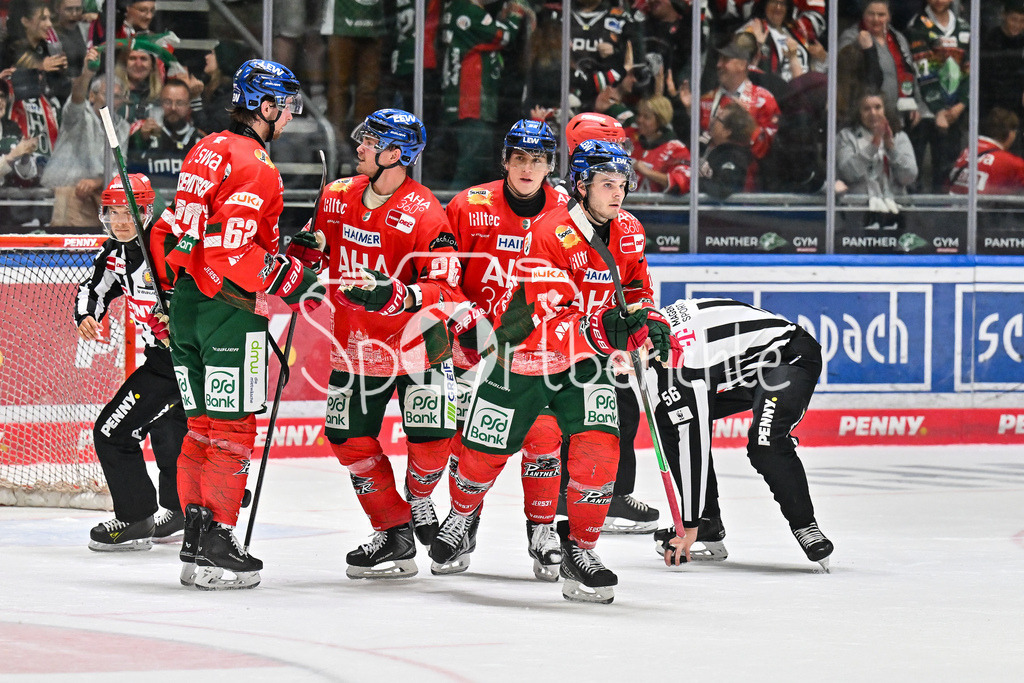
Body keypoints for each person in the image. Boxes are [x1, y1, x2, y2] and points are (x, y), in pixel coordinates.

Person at [430, 140, 677, 604]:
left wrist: (650, 327)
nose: (618, 194)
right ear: (582, 186)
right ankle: (462, 514)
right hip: (523, 354)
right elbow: (550, 313)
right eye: (607, 184)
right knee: (483, 453)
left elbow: (636, 293)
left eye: (623, 185)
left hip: (585, 364)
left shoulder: (629, 231)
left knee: (602, 452)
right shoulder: (550, 232)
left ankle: (580, 551)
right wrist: (606, 327)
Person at [165, 59, 324, 590]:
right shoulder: (255, 162)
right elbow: (231, 248)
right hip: (229, 312)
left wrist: (284, 251)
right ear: (264, 105)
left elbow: (177, 234)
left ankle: (195, 534)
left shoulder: (205, 147)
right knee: (232, 431)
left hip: (186, 305)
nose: (288, 116)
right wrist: (288, 277)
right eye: (284, 105)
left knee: (201, 428)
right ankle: (219, 540)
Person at [314, 108, 464, 580]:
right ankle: (393, 529)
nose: (359, 147)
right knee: (345, 437)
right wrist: (301, 252)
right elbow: (317, 250)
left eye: (370, 142)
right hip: (356, 346)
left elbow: (448, 290)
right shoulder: (337, 195)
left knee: (431, 437)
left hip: (421, 347)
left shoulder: (425, 212)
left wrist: (396, 294)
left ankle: (420, 498)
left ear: (395, 154)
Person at [443, 119, 567, 581]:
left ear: (550, 165)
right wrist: (463, 319)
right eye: (520, 158)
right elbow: (441, 274)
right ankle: (464, 521)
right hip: (473, 343)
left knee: (543, 438)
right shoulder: (468, 205)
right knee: (470, 441)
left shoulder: (569, 211)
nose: (527, 167)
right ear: (505, 160)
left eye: (537, 160)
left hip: (537, 348)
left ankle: (542, 529)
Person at [648, 297, 834, 572]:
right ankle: (709, 522)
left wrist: (687, 525)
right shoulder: (656, 326)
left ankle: (805, 524)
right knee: (668, 417)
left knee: (765, 442)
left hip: (787, 356)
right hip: (742, 367)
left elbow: (695, 442)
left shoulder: (684, 365)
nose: (620, 367)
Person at [563, 112, 662, 535]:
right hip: (561, 341)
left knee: (623, 412)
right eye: (615, 146)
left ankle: (615, 495)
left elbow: (638, 286)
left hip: (609, 343)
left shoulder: (626, 223)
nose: (623, 155)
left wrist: (643, 319)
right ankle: (565, 501)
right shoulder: (557, 215)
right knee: (560, 425)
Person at [76, 174, 186, 552]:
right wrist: (87, 315)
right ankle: (178, 510)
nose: (122, 222)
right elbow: (93, 288)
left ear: (146, 211)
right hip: (163, 360)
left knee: (112, 431)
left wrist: (178, 312)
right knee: (170, 432)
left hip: (182, 361)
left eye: (130, 213)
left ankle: (135, 515)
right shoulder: (113, 253)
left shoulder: (167, 243)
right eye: (114, 213)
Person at [440, 0, 525, 189]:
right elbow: (503, 37)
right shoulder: (469, 11)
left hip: (466, 98)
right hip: (470, 101)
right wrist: (515, 15)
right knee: (472, 164)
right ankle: (451, 212)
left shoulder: (458, 8)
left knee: (477, 162)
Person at [41, 46, 129, 228]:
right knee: (68, 249)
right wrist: (87, 73)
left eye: (118, 97)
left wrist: (97, 181)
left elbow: (120, 168)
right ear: (92, 95)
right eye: (107, 95)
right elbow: (77, 97)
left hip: (99, 195)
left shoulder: (122, 127)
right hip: (66, 192)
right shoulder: (78, 116)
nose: (112, 101)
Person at [905, 0, 970, 192]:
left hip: (954, 113)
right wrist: (939, 109)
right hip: (924, 111)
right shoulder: (917, 26)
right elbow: (924, 71)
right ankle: (912, 218)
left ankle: (943, 219)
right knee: (913, 173)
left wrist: (962, 104)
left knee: (947, 174)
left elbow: (970, 68)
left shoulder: (963, 26)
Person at [837, 0, 928, 134]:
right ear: (863, 15)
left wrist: (917, 104)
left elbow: (910, 72)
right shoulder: (851, 36)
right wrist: (859, 46)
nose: (876, 19)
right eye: (871, 14)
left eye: (881, 15)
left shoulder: (898, 38)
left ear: (889, 17)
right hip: (866, 120)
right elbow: (844, 71)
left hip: (899, 118)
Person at [693, 33, 780, 161]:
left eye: (725, 59)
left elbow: (771, 150)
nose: (718, 65)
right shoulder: (706, 100)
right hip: (707, 172)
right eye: (719, 59)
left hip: (745, 175)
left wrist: (747, 124)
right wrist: (689, 113)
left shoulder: (764, 101)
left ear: (742, 65)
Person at [837, 90, 918, 226]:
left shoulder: (899, 137)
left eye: (877, 107)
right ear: (859, 113)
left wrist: (891, 149)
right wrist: (873, 145)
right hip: (859, 214)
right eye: (866, 109)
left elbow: (909, 176)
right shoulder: (846, 136)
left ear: (885, 110)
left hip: (895, 212)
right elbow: (848, 173)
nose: (873, 113)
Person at [320, 0, 385, 139]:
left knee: (368, 89)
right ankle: (336, 140)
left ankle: (364, 141)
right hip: (340, 21)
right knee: (339, 84)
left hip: (373, 20)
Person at [127, 78, 202, 191]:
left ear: (188, 106)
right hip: (152, 204)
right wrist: (140, 140)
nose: (173, 108)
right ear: (160, 104)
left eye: (179, 103)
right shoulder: (146, 135)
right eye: (167, 102)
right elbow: (129, 172)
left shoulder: (200, 142)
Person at [740, 0, 827, 82]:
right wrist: (756, 47)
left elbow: (814, 69)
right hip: (775, 92)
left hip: (806, 91)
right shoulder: (752, 29)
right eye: (774, 1)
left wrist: (821, 59)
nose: (778, 7)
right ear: (765, 4)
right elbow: (738, 70)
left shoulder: (798, 31)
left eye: (783, 3)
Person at [979, 0, 1024, 147]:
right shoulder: (990, 40)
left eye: (1022, 21)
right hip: (993, 109)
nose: (1017, 25)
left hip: (1018, 110)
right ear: (1004, 16)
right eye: (1014, 19)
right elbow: (986, 78)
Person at [950, 108, 1024, 195]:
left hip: (953, 206)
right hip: (982, 208)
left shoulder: (966, 151)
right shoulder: (1011, 162)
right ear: (1010, 134)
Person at [630, 95, 691, 193]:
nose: (640, 120)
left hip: (656, 207)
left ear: (660, 120)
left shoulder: (675, 149)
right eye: (639, 115)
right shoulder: (629, 139)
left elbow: (684, 182)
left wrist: (647, 172)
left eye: (646, 117)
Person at [698, 101, 757, 199]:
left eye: (718, 119)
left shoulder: (735, 157)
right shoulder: (713, 148)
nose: (712, 120)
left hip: (724, 214)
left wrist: (692, 182)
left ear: (727, 131)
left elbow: (722, 189)